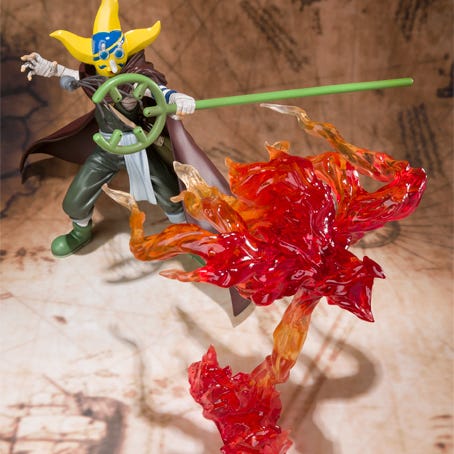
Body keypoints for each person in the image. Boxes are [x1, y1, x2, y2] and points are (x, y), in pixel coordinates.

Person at [20, 0, 228, 258]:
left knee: (172, 196)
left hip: (140, 147)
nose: (112, 67)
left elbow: (159, 91)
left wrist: (177, 99)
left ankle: (189, 238)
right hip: (107, 148)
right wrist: (49, 69)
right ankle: (80, 232)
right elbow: (75, 76)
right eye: (103, 60)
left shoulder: (139, 78)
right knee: (75, 198)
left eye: (116, 56)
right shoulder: (94, 78)